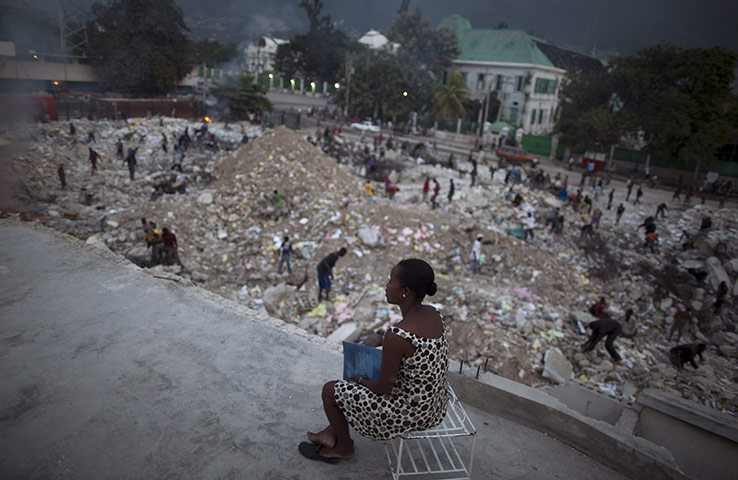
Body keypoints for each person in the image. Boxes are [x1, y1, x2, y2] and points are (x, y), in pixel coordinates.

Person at [300, 259, 448, 462]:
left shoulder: (398, 335)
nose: (386, 285)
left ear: (405, 291)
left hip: (410, 413)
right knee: (358, 382)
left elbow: (383, 388)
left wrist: (360, 380)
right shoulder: (433, 313)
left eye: (390, 281)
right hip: (434, 404)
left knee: (331, 390)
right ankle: (330, 433)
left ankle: (344, 448)